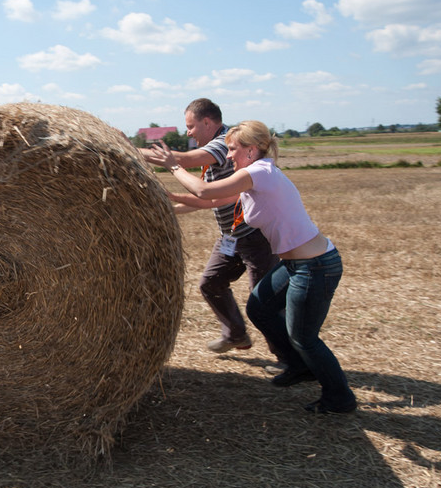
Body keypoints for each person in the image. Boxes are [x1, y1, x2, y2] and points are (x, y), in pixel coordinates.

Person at [148, 119, 356, 414]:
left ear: (252, 149)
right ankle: (299, 367)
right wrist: (163, 199)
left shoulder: (260, 172)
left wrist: (173, 166)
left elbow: (205, 191)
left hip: (316, 266)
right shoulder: (253, 177)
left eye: (233, 149)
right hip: (295, 264)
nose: (229, 155)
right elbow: (210, 201)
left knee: (303, 336)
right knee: (259, 308)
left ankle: (340, 397)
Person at [141, 99, 284, 371]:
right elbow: (209, 200)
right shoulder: (220, 150)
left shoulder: (224, 143)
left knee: (263, 301)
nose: (188, 133)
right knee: (211, 283)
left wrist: (124, 149)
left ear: (208, 122)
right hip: (231, 237)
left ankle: (289, 359)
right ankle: (235, 334)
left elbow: (185, 161)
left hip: (255, 237)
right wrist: (168, 209)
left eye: (191, 126)